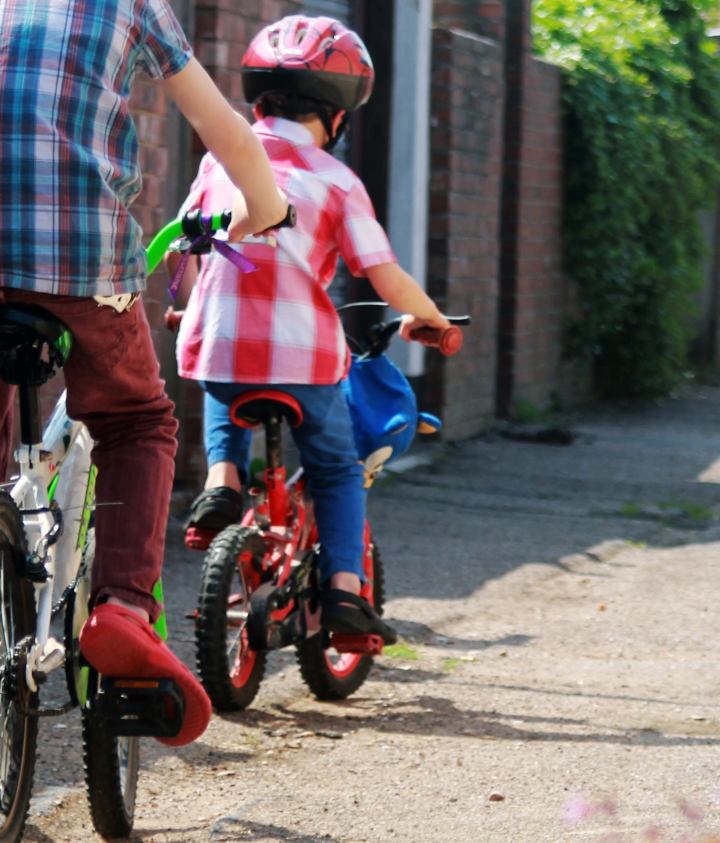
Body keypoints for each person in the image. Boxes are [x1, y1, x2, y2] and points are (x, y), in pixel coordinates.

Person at [0, 0, 289, 747]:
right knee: (138, 419)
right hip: (78, 258)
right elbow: (221, 124)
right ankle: (125, 605)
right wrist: (264, 205)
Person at [173, 15, 451, 643]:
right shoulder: (336, 180)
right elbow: (382, 275)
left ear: (261, 101)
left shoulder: (220, 163)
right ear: (337, 117)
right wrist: (428, 315)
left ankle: (223, 483)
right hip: (303, 360)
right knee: (335, 469)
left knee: (226, 388)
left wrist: (187, 306)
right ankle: (347, 594)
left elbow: (187, 250)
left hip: (219, 340)